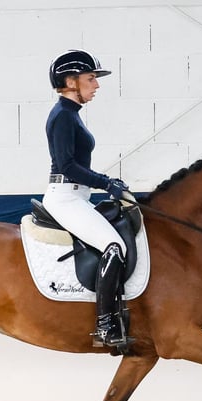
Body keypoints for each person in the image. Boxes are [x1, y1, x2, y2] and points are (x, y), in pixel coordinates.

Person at [44, 49, 131, 350]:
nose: (96, 85)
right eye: (91, 78)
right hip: (65, 198)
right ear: (71, 81)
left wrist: (106, 183)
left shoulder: (72, 115)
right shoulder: (63, 117)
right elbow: (67, 166)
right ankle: (105, 325)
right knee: (114, 246)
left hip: (77, 196)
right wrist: (105, 183)